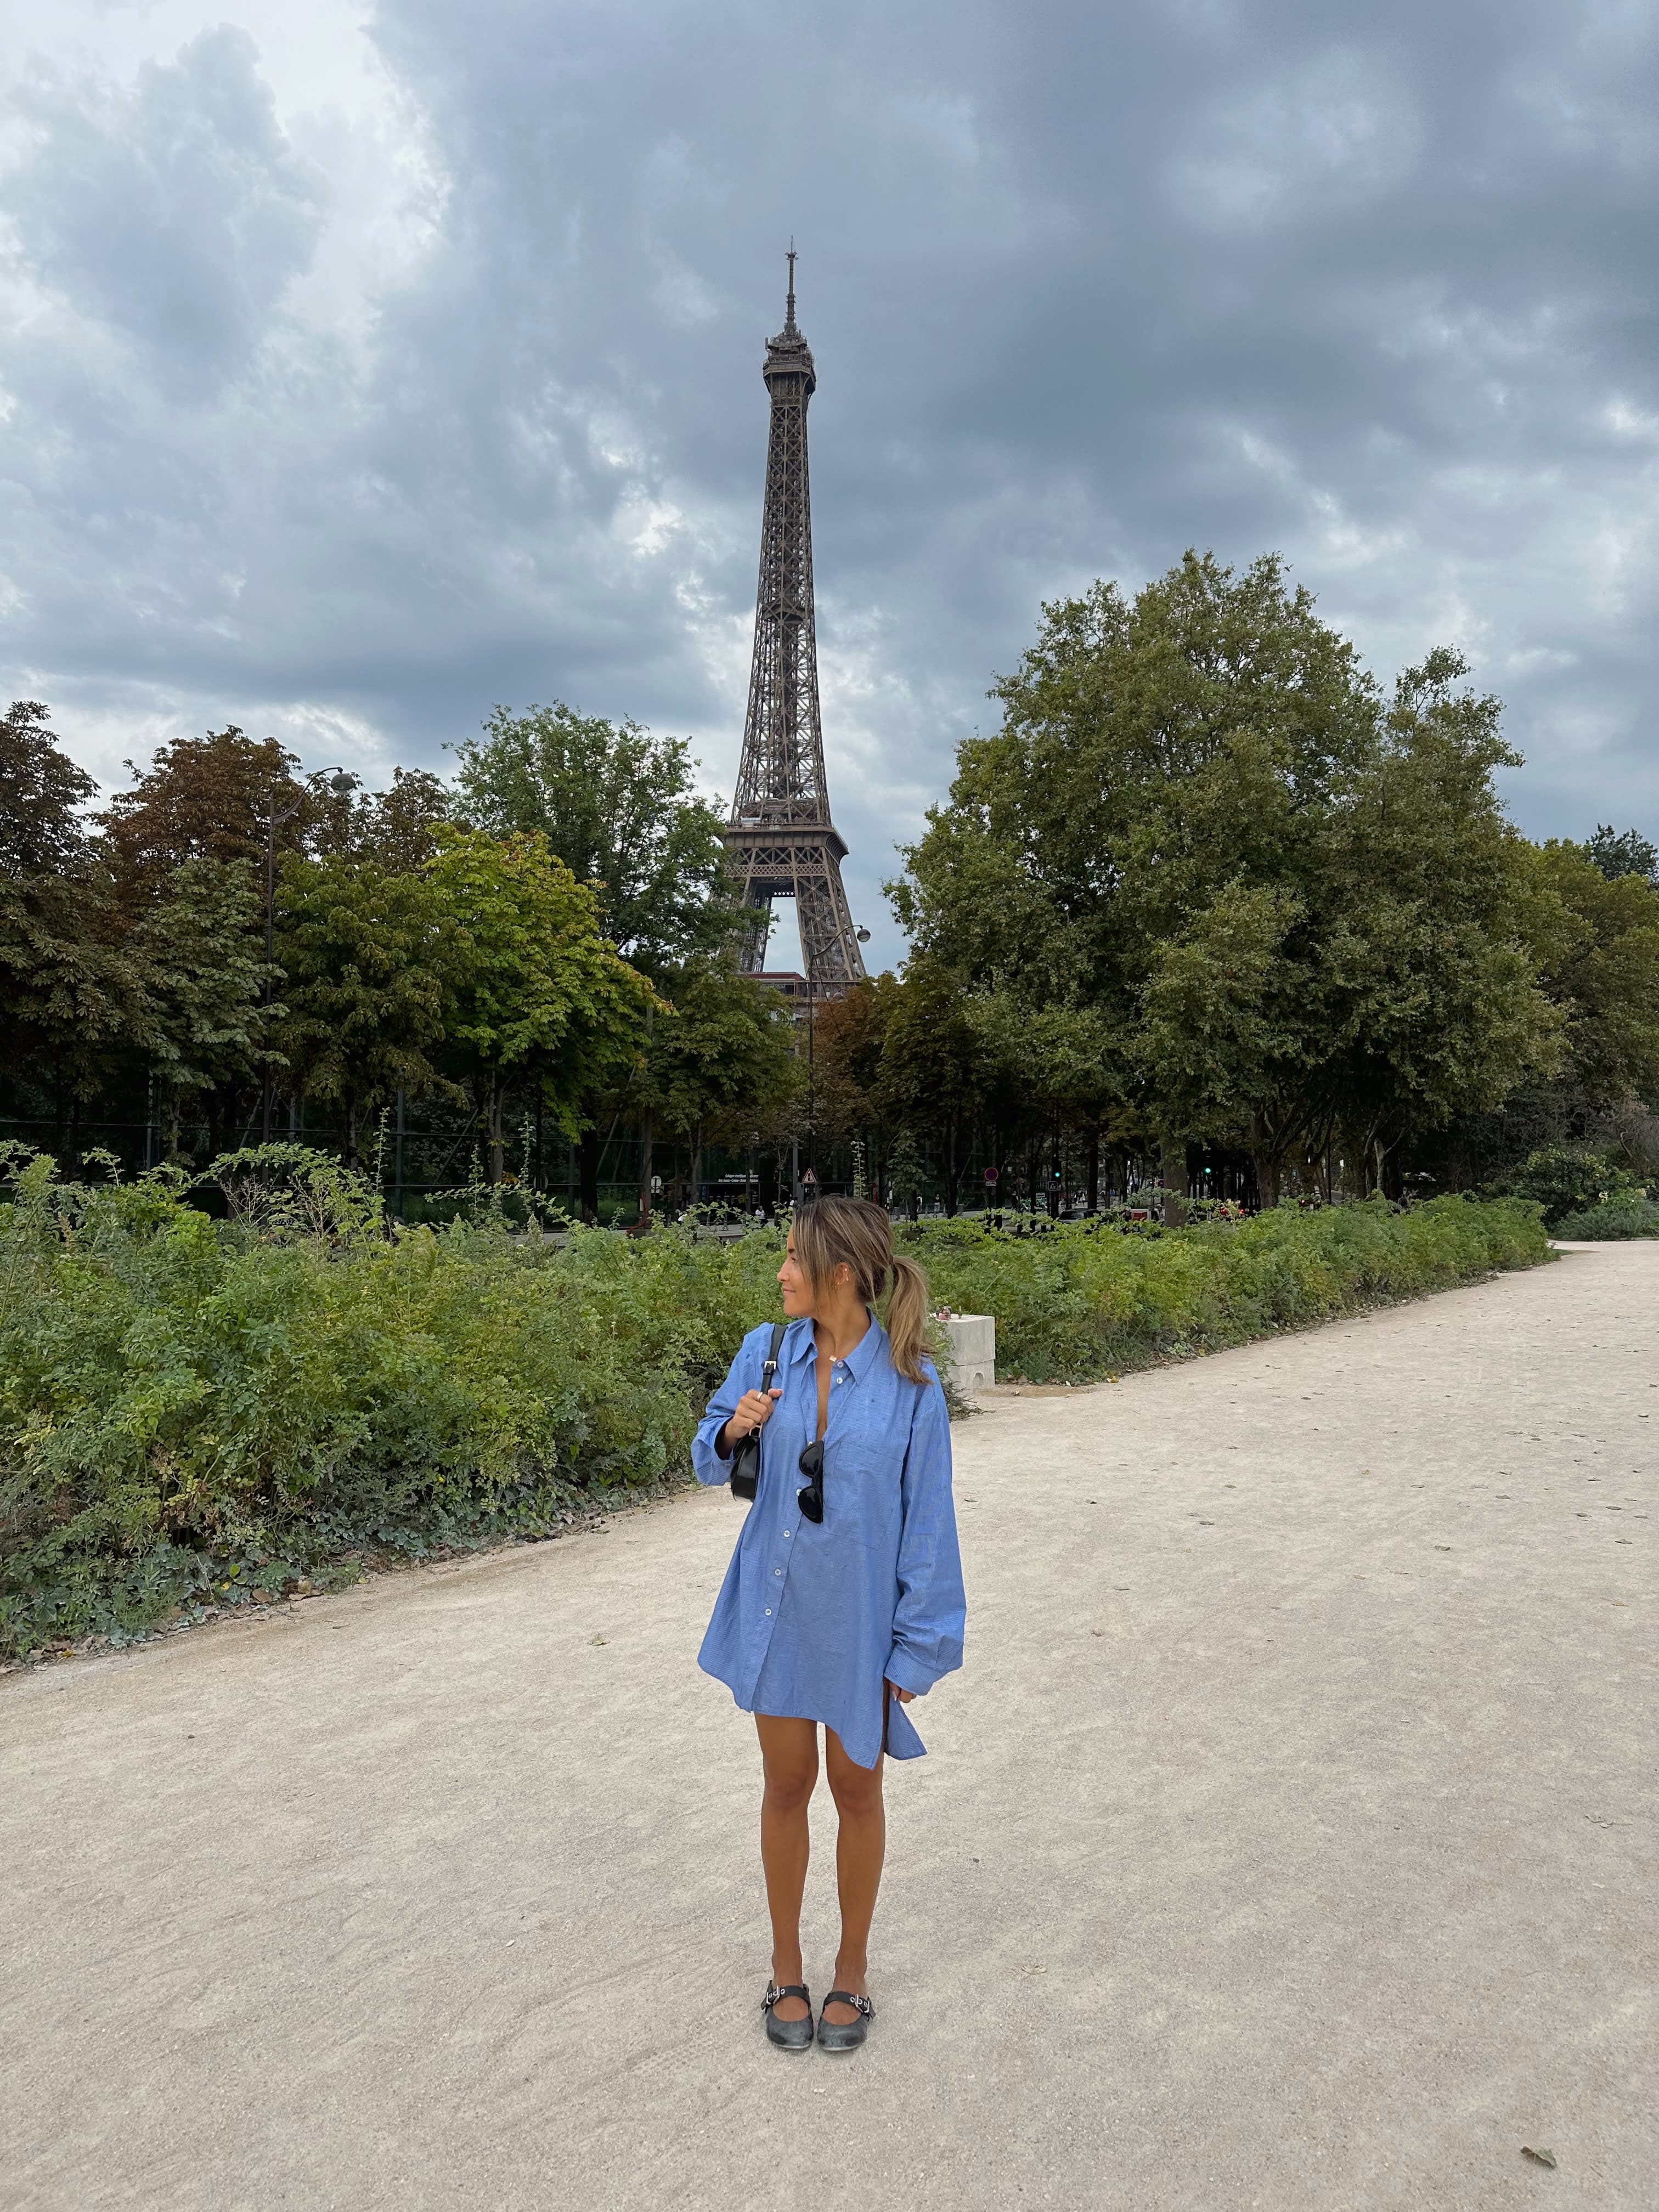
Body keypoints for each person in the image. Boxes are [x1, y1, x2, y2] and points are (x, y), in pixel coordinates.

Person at [693, 1195, 966, 2053]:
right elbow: (707, 1454)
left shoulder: (910, 1382)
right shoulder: (764, 1352)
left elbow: (928, 1521)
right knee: (784, 1789)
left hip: (858, 1627)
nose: (779, 1272)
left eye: (791, 1257)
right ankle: (786, 1966)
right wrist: (734, 1427)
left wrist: (917, 1644)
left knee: (856, 1791)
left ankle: (851, 1971)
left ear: (839, 1273)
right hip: (778, 1616)